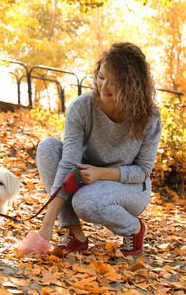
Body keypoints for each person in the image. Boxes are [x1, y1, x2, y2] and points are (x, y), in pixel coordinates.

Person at [18, 42, 162, 257]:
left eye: (115, 82)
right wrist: (46, 227)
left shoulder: (149, 115)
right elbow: (68, 163)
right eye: (102, 77)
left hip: (130, 185)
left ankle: (134, 228)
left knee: (85, 202)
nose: (104, 87)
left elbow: (142, 171)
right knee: (48, 147)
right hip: (86, 176)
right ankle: (75, 235)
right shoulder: (82, 107)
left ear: (133, 85)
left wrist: (101, 174)